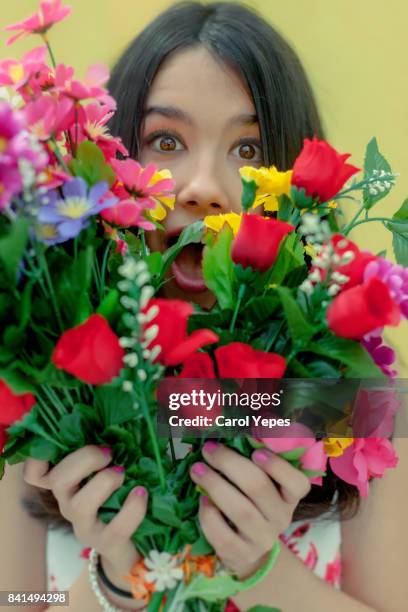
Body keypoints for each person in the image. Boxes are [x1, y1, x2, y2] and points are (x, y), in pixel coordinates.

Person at [1, 2, 407, 611]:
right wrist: (119, 580)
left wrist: (253, 568)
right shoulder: (43, 393)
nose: (204, 187)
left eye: (248, 150)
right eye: (165, 140)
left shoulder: (357, 396)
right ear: (106, 156)